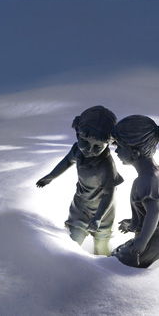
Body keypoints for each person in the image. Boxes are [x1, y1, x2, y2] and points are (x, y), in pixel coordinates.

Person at [36, 105, 122, 256]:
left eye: (97, 147)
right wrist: (49, 177)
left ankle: (102, 269)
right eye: (85, 142)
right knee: (72, 242)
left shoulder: (106, 165)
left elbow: (109, 194)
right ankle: (69, 266)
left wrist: (98, 218)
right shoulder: (77, 149)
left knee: (101, 246)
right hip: (80, 205)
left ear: (108, 144)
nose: (89, 149)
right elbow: (67, 162)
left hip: (103, 211)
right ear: (77, 135)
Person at [111, 115, 159, 268]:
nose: (116, 151)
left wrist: (140, 243)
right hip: (157, 238)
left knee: (115, 259)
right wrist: (134, 222)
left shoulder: (146, 180)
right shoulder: (156, 172)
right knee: (117, 252)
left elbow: (154, 213)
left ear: (135, 151)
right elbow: (153, 209)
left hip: (153, 242)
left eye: (119, 146)